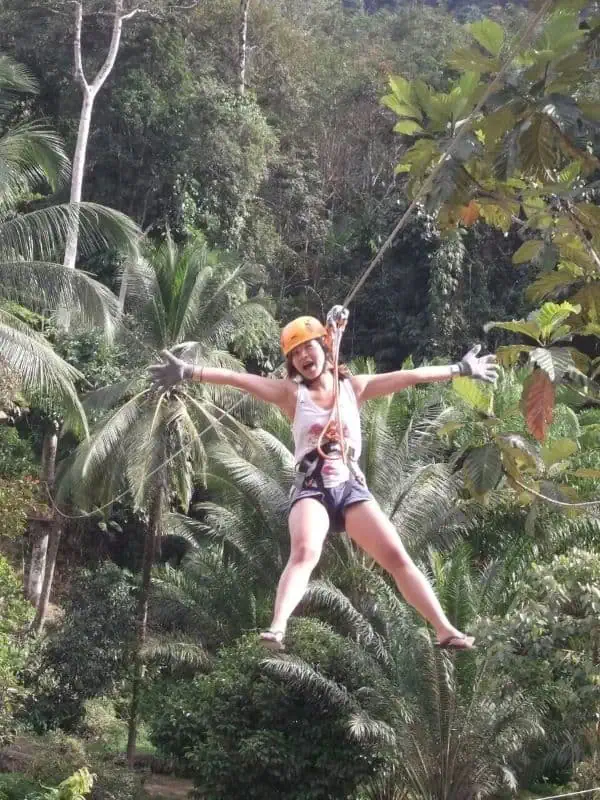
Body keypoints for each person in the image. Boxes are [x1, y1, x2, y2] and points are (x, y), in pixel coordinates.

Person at [149, 310, 498, 652]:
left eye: (308, 347)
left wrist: (461, 369)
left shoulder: (354, 388)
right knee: (305, 552)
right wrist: (188, 371)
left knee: (396, 557)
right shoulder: (290, 394)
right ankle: (277, 627)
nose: (303, 357)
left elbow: (410, 376)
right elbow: (239, 380)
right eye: (295, 353)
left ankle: (444, 630)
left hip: (350, 488)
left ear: (324, 347)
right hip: (312, 488)